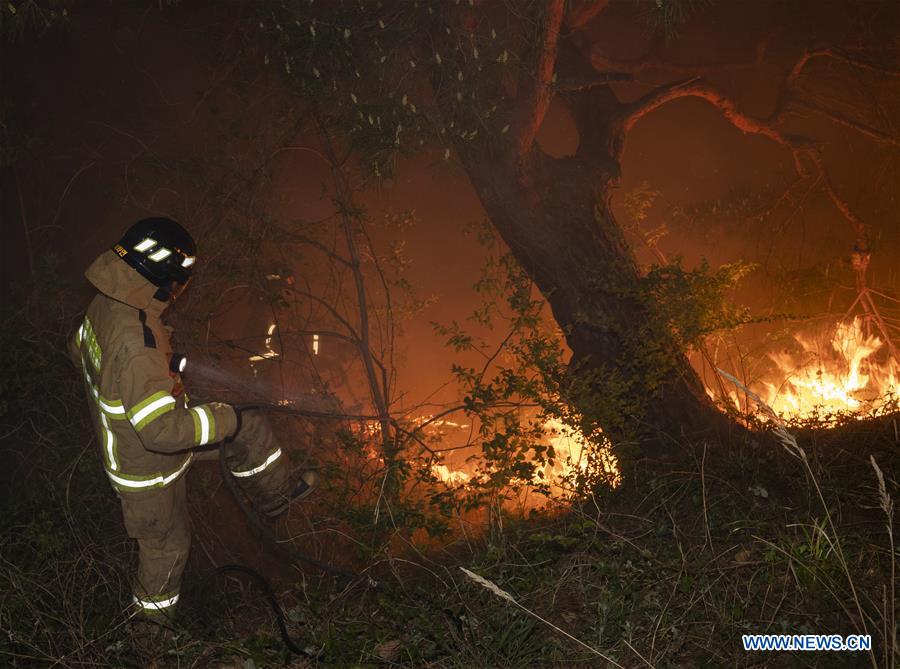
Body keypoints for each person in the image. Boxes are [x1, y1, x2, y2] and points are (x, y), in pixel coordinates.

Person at [68, 217, 316, 622]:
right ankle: (152, 644)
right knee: (166, 550)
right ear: (163, 276)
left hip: (142, 441)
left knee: (247, 423)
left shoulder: (108, 304)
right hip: (146, 471)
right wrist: (219, 417)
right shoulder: (136, 340)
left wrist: (152, 371)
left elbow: (78, 350)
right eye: (180, 280)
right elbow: (159, 432)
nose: (180, 290)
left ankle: (276, 495)